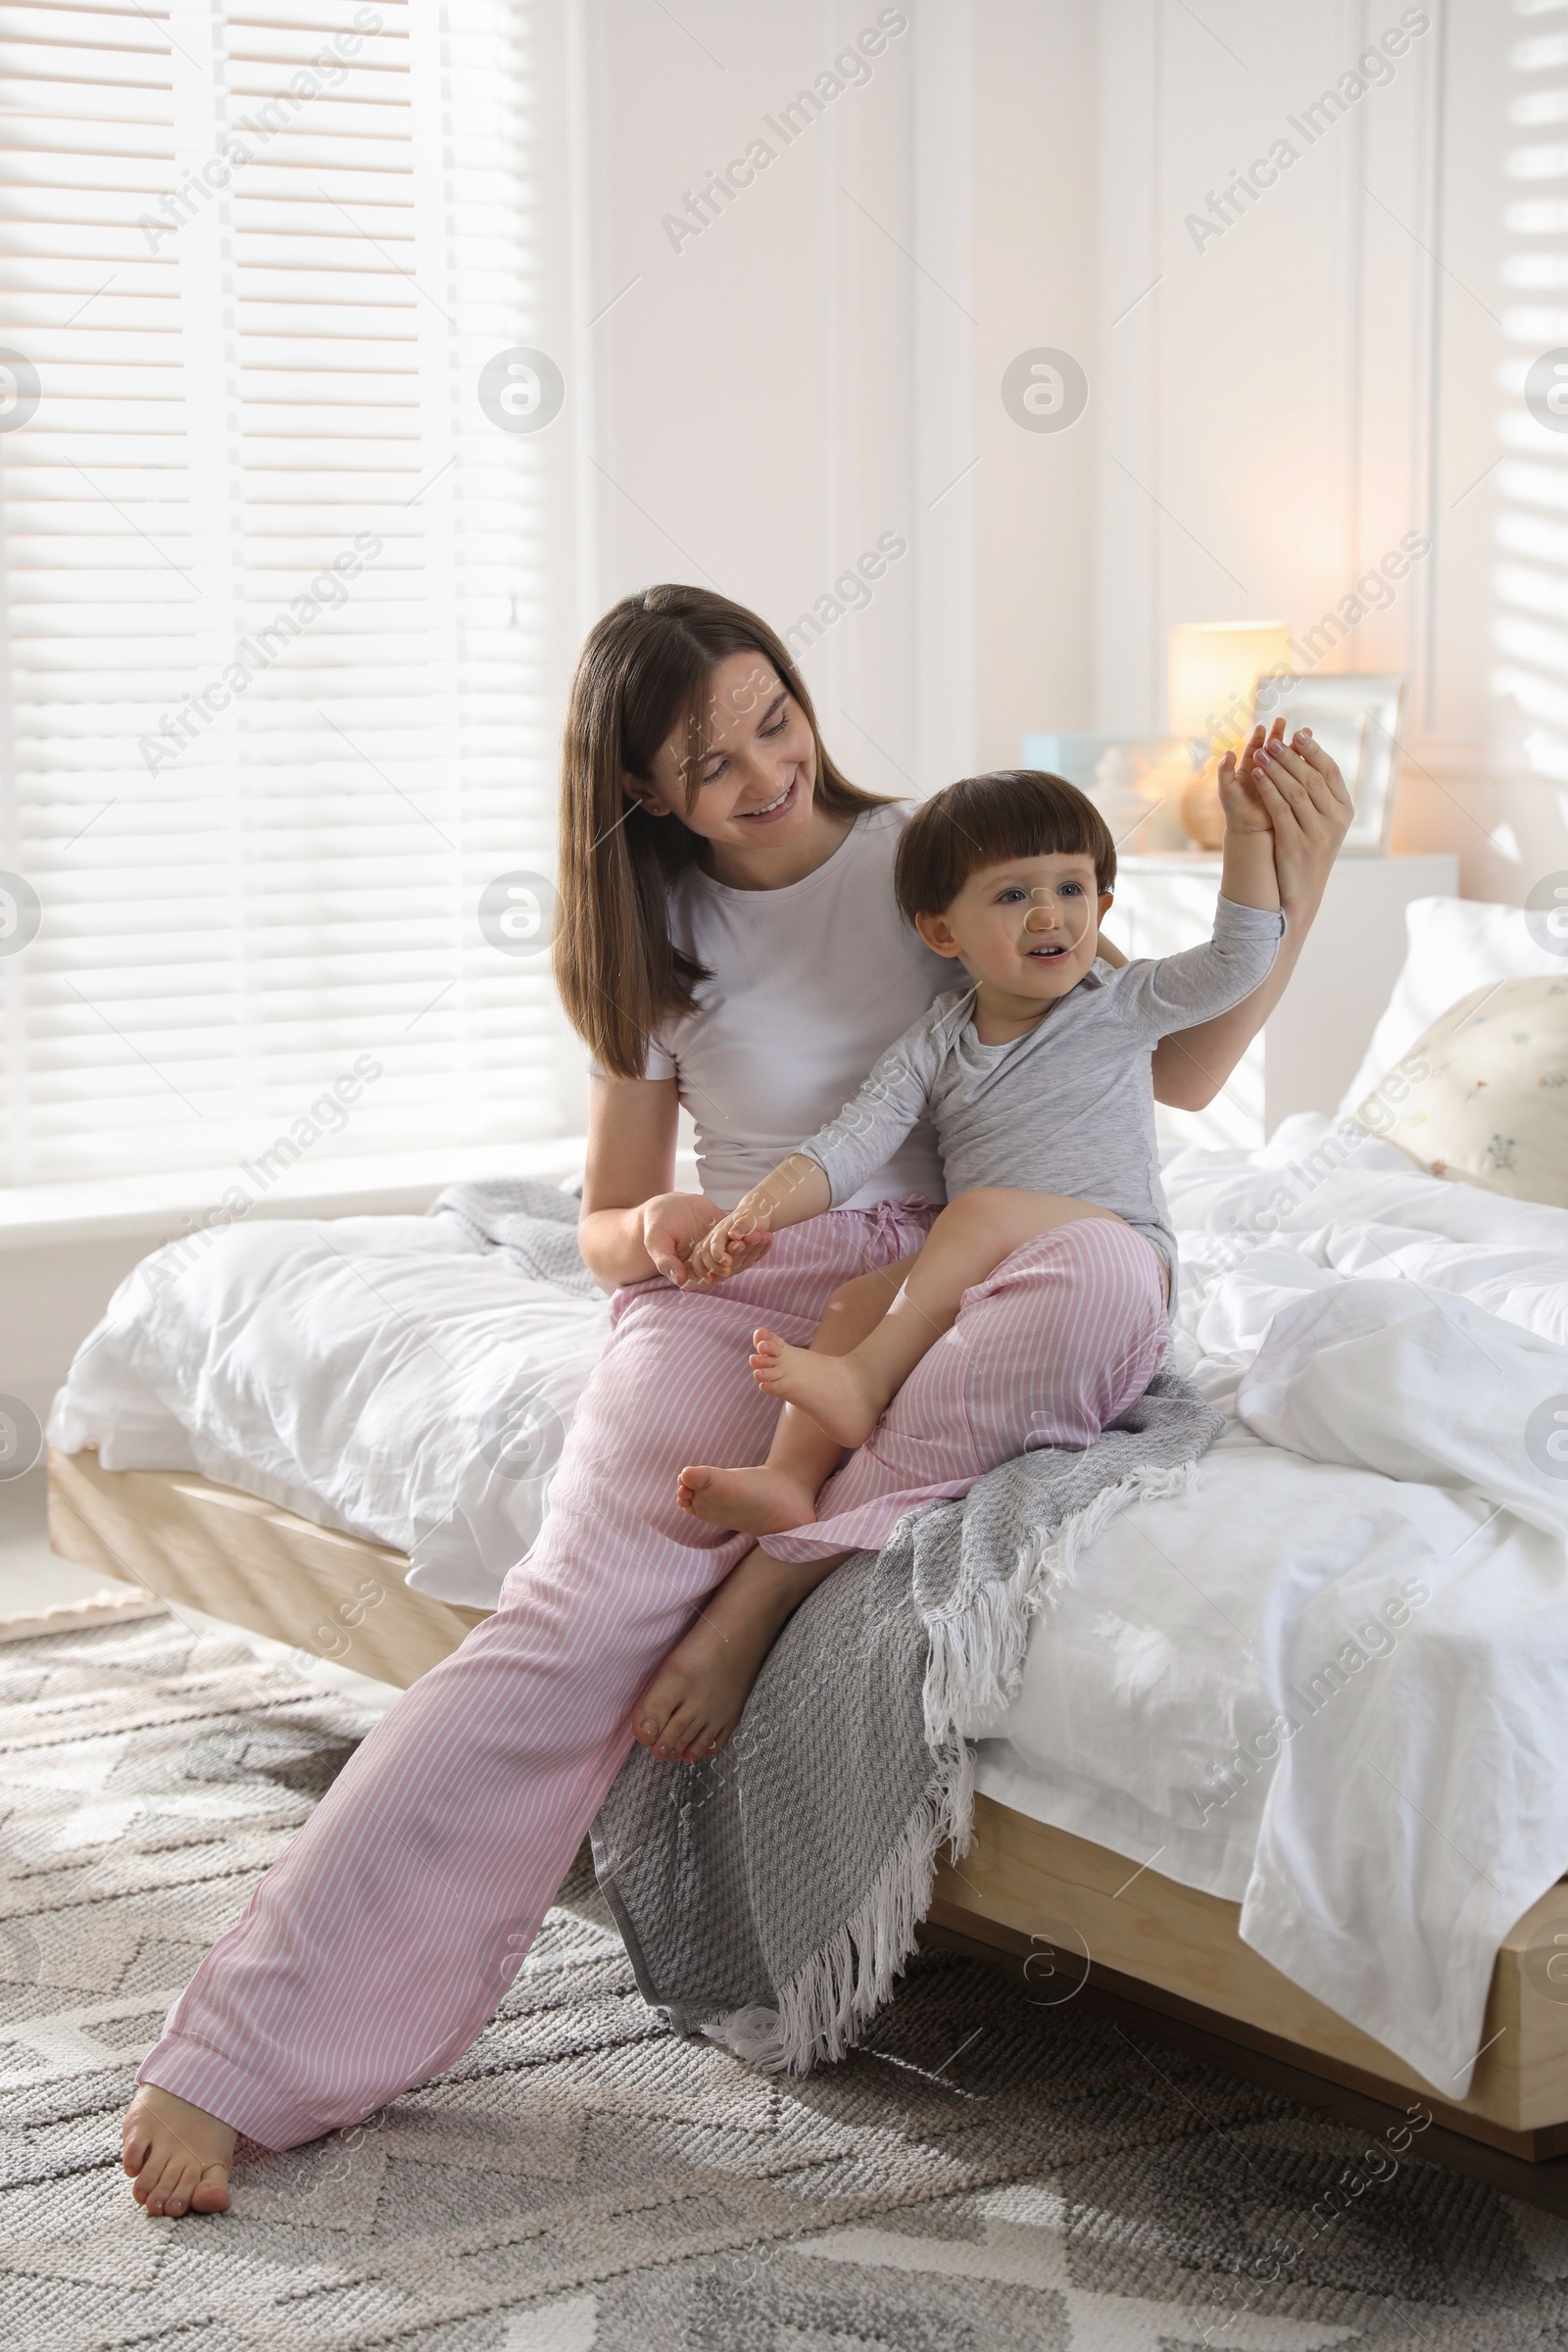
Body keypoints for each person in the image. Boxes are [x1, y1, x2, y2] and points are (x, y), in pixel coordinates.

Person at [122, 585, 1351, 2220]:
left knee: (1115, 1285)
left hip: (973, 1273)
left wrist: (1301, 883)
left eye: (775, 720)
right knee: (568, 1623)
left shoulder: (939, 852)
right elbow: (602, 1214)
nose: (766, 772)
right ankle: (238, 2051)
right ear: (644, 793)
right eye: (710, 763)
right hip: (745, 1293)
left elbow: (1164, 1071)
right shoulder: (656, 935)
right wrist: (662, 1232)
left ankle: (762, 1591)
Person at [671, 763, 1285, 1561]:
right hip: (996, 1279)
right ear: (942, 934)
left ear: (1101, 909)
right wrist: (759, 1210)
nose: (1047, 914)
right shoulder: (938, 1041)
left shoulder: (1124, 1003)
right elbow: (852, 1140)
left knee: (978, 1212)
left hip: (1122, 1262)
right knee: (853, 1305)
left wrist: (1245, 834)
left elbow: (1240, 961)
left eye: (1070, 889)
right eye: (1011, 895)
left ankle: (862, 1384)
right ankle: (790, 1475)